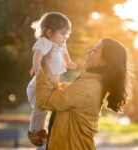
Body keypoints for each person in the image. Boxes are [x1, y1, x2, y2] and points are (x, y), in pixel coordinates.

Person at [35, 38, 130, 150]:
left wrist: (44, 65)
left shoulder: (87, 87)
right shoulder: (90, 83)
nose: (89, 51)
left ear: (103, 62)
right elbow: (60, 91)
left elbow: (44, 101)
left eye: (94, 51)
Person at [26, 12, 77, 147]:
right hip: (36, 88)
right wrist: (36, 65)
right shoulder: (46, 42)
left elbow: (65, 53)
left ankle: (41, 130)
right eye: (62, 33)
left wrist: (68, 62)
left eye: (67, 34)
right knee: (41, 108)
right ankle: (33, 131)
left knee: (46, 110)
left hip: (50, 85)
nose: (65, 38)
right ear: (49, 33)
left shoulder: (60, 44)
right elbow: (38, 53)